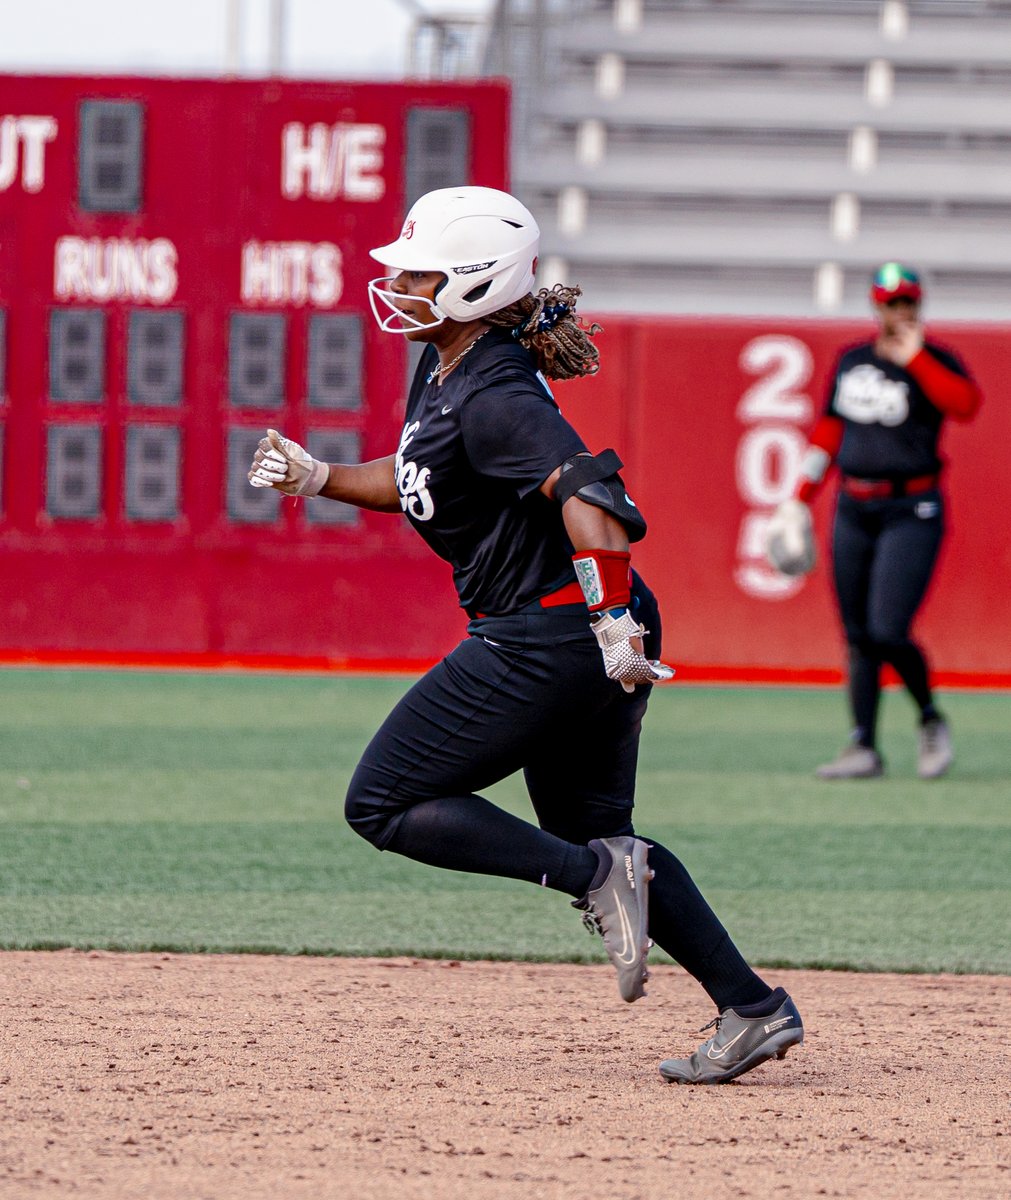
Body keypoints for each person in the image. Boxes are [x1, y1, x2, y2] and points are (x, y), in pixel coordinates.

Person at [249, 186, 803, 1083]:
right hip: (568, 627)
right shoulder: (450, 368)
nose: (399, 286)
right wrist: (320, 478)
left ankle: (588, 879)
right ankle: (752, 1008)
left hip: (556, 629)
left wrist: (613, 621)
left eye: (419, 273)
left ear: (473, 285)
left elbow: (595, 501)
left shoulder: (494, 388)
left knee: (382, 803)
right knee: (607, 838)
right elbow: (422, 477)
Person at [767, 263, 982, 780]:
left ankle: (930, 717)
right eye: (890, 303)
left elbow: (966, 404)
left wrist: (917, 360)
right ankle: (862, 743)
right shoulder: (853, 360)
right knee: (858, 633)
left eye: (906, 302)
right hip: (854, 505)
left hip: (912, 508)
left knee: (889, 629)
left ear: (918, 305)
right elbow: (829, 432)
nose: (898, 312)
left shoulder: (935, 362)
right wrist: (798, 498)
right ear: (876, 306)